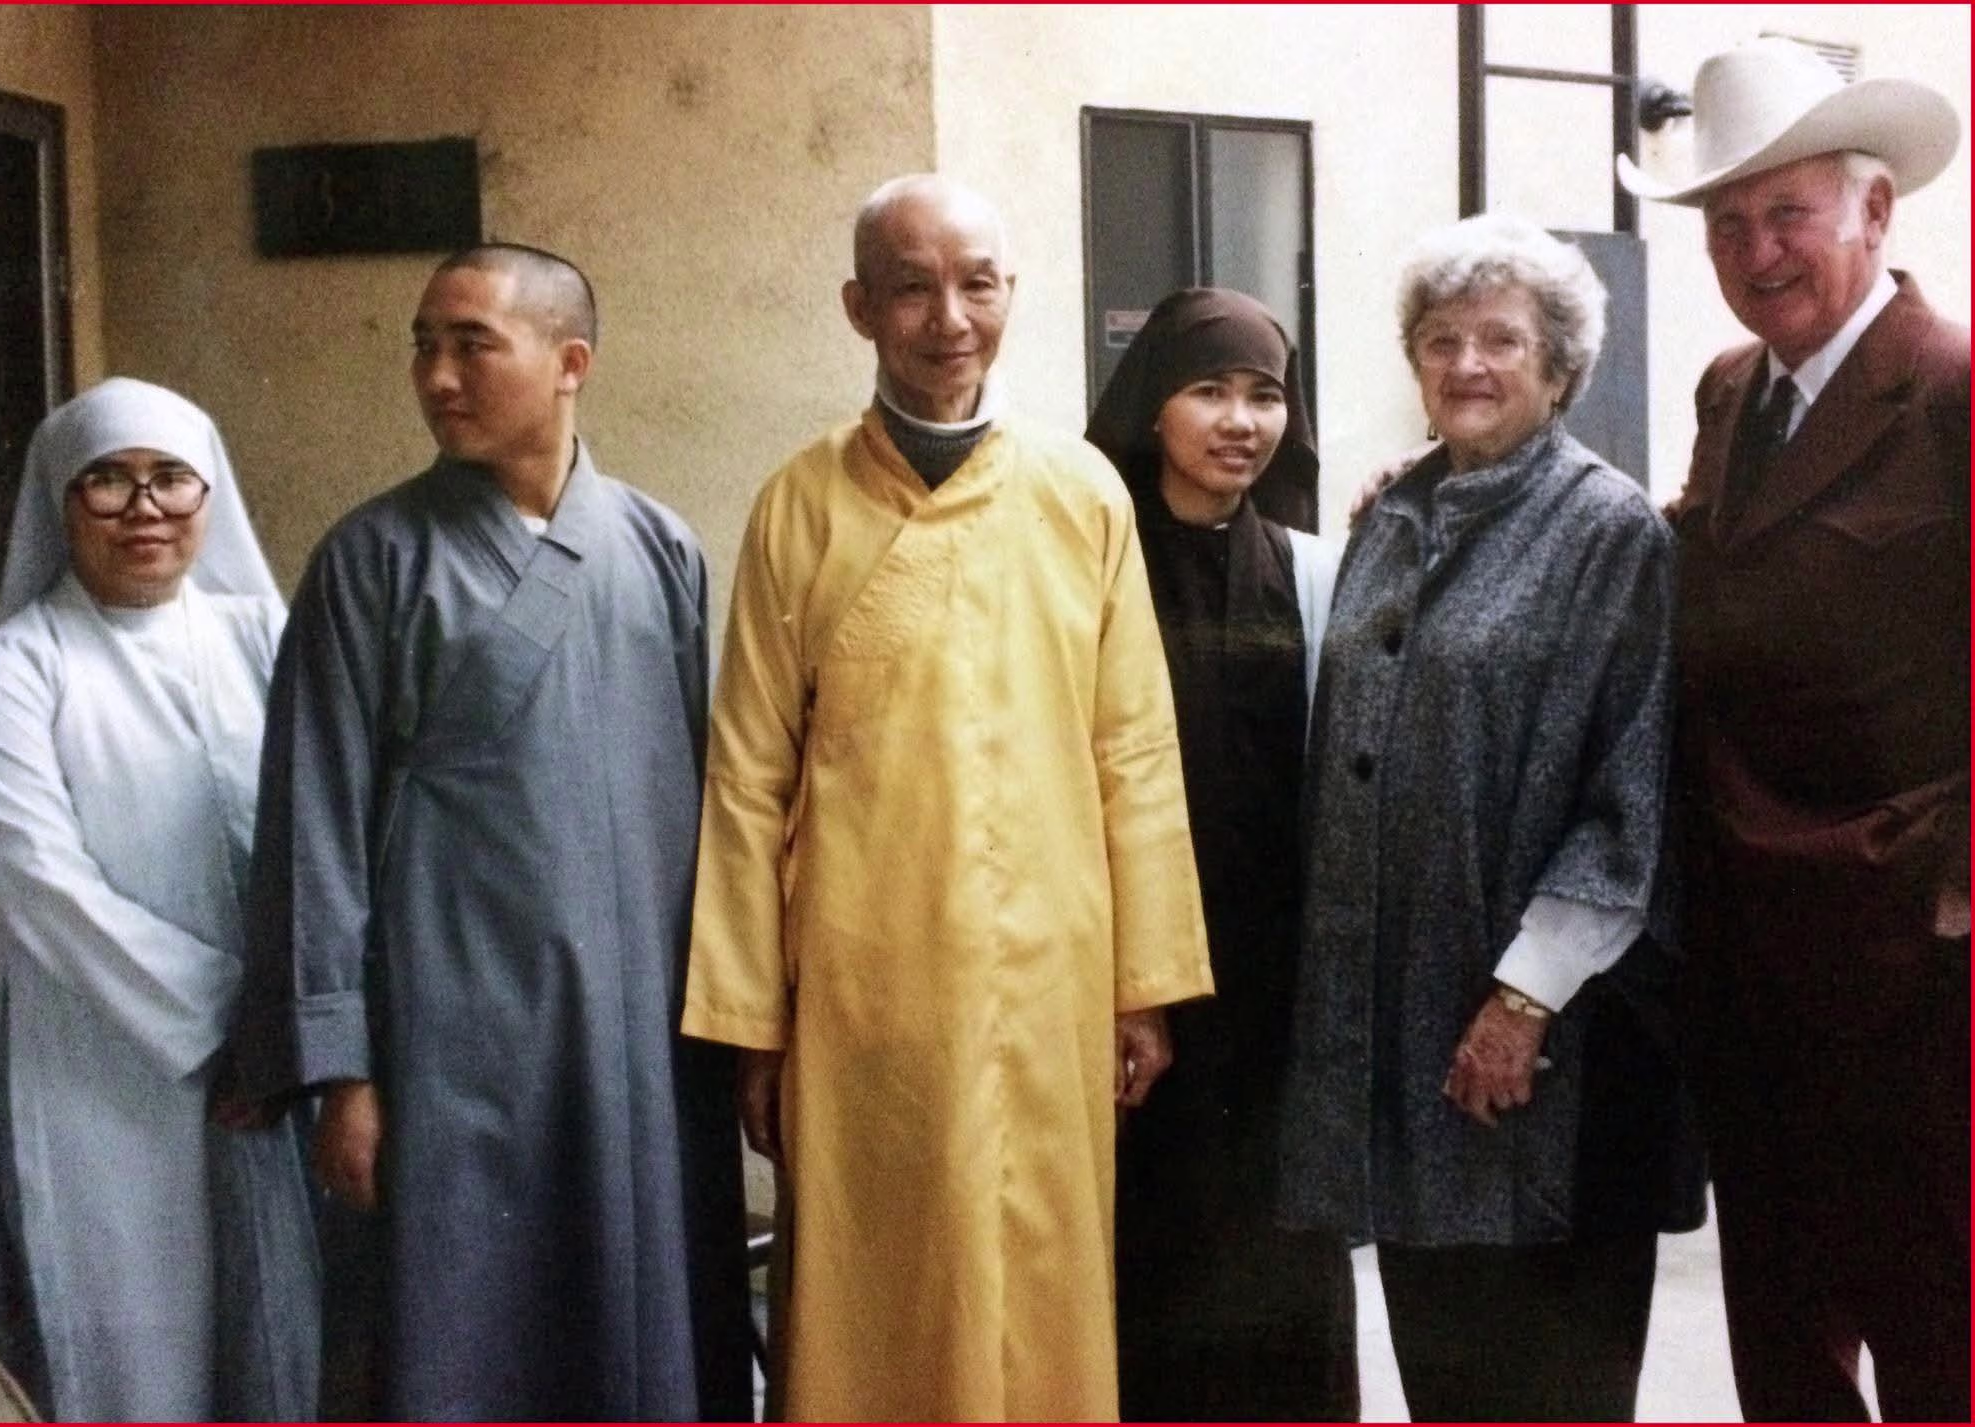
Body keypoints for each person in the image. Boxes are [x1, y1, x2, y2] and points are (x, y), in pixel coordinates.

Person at [682, 174, 1213, 1421]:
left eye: (976, 284)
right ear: (858, 306)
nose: (949, 319)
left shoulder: (1081, 493)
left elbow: (1133, 748)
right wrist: (753, 1020)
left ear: (1010, 293)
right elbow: (748, 774)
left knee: (1037, 1282)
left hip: (1049, 976)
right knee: (873, 1289)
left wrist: (1142, 982)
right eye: (911, 288)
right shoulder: (798, 503)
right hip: (862, 982)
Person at [222, 244, 751, 1421]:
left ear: (570, 362)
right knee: (465, 1335)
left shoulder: (660, 547)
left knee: (641, 1322)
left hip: (636, 1031)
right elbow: (315, 820)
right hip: (449, 1036)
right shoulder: (370, 560)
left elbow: (705, 800)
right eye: (423, 346)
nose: (437, 376)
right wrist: (344, 1071)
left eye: (472, 346)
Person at [1276, 215, 1700, 1421]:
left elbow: (1629, 790)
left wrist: (1520, 1001)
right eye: (1441, 339)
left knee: (1549, 1383)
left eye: (1501, 340)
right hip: (1409, 1043)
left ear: (1559, 368)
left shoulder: (1607, 529)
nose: (1466, 363)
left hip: (1544, 1050)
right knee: (1444, 1373)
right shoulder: (1390, 517)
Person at [1618, 38, 1969, 1422]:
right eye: (1726, 223)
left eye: (1787, 214)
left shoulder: (1952, 385)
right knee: (1780, 1330)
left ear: (1874, 211)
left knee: (1937, 1327)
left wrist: (1956, 891)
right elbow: (1693, 555)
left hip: (1914, 967)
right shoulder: (1730, 389)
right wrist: (1470, 478)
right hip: (1754, 957)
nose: (1756, 252)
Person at [0, 377, 320, 1421]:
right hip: (105, 1067)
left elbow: (325, 831)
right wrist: (231, 1020)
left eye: (170, 478)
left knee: (285, 1335)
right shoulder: (13, 673)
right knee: (142, 1352)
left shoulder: (263, 634)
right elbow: (43, 892)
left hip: (275, 1060)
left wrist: (290, 1021)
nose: (144, 508)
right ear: (61, 500)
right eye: (107, 481)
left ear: (209, 493)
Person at [1084, 288, 1357, 1423]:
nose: (1240, 421)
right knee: (1143, 1261)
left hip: (1274, 990)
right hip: (1130, 979)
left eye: (1264, 395)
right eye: (1208, 390)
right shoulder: (1091, 568)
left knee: (1278, 1268)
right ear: (1154, 406)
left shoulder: (1312, 570)